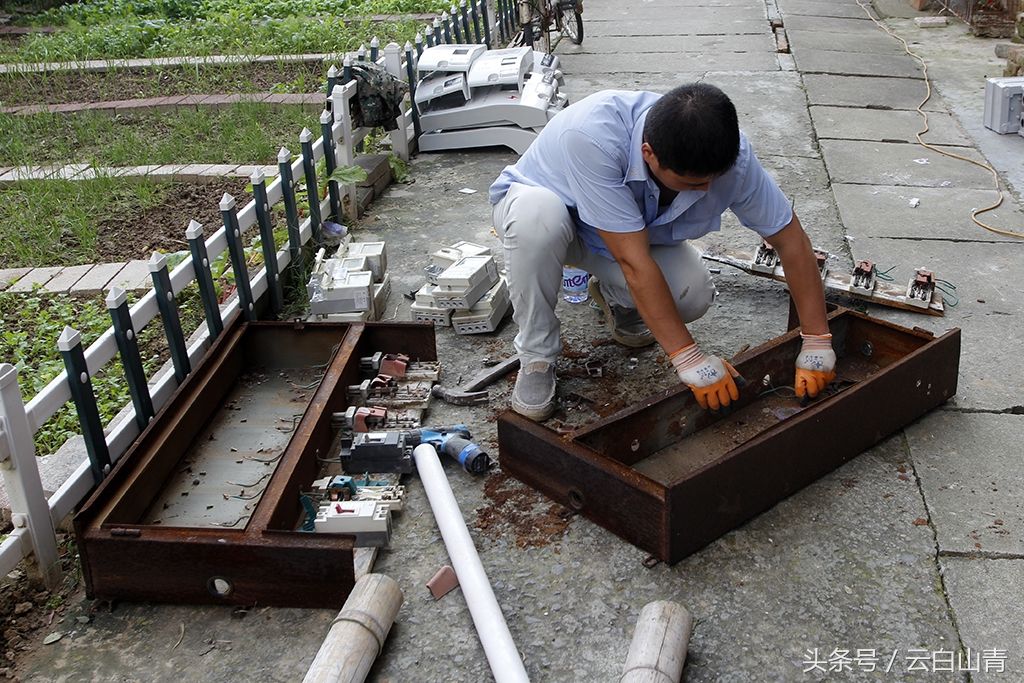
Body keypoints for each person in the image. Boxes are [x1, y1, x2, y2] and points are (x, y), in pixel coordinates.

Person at [488, 83, 836, 421]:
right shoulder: (592, 135)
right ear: (648, 154)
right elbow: (634, 263)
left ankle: (617, 299)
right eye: (693, 184)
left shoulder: (733, 160)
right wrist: (689, 358)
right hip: (553, 219)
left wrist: (817, 340)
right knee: (538, 217)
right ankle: (536, 356)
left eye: (713, 180)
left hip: (627, 240)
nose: (708, 189)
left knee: (691, 294)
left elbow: (791, 242)